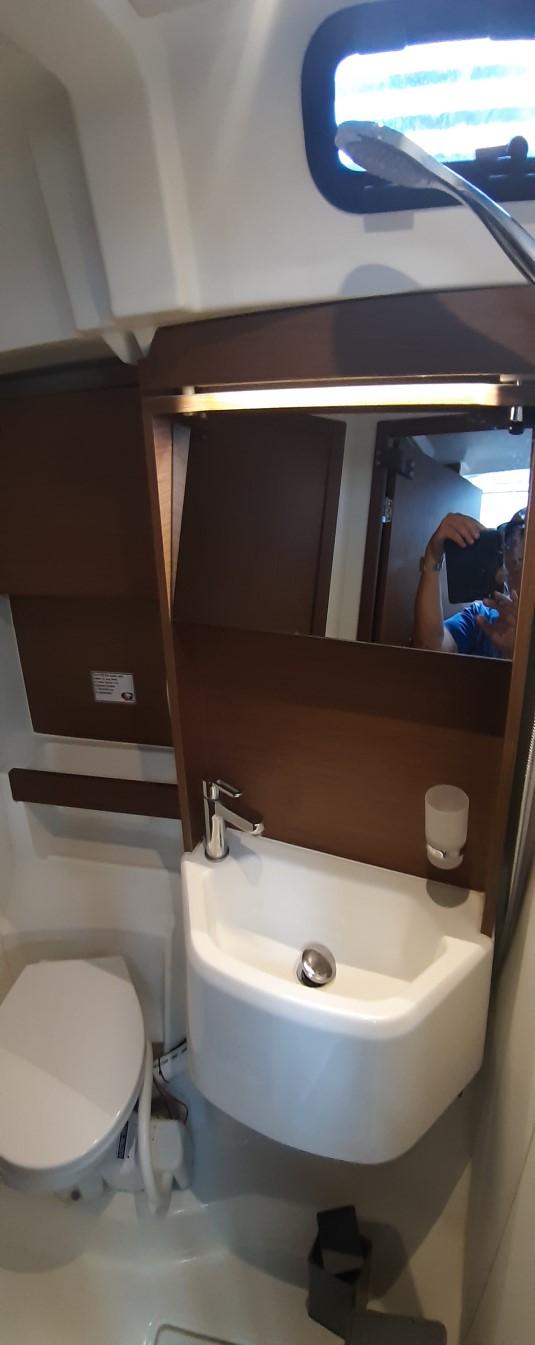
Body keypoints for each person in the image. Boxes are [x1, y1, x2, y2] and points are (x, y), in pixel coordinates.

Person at [413, 509, 526, 658]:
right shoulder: (483, 617)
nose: (515, 549)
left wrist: (520, 653)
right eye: (510, 534)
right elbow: (431, 647)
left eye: (523, 533)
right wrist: (433, 557)